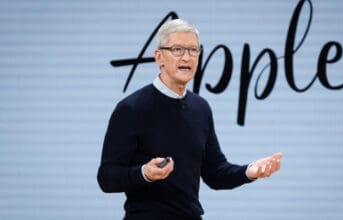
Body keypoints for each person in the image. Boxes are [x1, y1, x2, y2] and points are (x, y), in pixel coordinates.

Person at [97, 19, 283, 220]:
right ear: (159, 57)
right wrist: (145, 173)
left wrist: (250, 171)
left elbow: (215, 173)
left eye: (193, 50)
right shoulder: (131, 109)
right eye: (177, 49)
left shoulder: (201, 108)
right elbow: (107, 178)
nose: (187, 57)